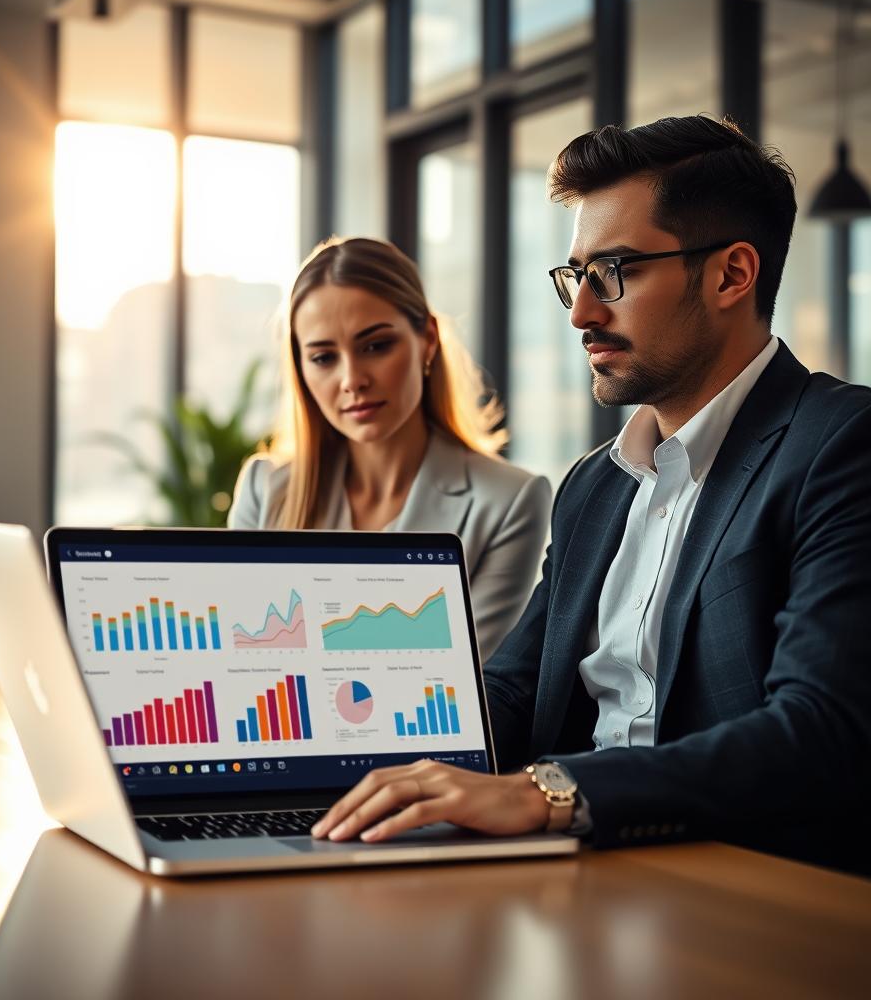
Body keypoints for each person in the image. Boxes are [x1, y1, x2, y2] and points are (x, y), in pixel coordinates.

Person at [310, 116, 871, 876]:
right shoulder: (595, 484)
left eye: (615, 271)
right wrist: (332, 770)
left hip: (739, 875)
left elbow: (818, 729)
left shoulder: (839, 444)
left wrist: (552, 793)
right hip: (577, 869)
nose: (581, 312)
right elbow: (514, 690)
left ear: (732, 276)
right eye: (577, 275)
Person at [228, 236, 551, 662]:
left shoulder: (509, 501)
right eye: (324, 357)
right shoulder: (264, 491)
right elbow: (239, 666)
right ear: (301, 368)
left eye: (376, 346)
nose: (352, 379)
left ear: (428, 341)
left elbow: (468, 689)